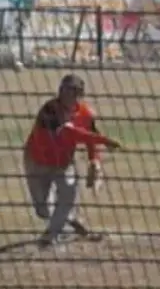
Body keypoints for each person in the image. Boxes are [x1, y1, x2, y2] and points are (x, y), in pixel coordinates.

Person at [23, 74, 120, 248]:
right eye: (65, 90)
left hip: (64, 162)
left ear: (80, 94)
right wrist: (105, 140)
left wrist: (94, 161)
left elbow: (89, 139)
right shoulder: (50, 110)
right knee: (43, 210)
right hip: (37, 161)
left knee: (68, 195)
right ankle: (70, 218)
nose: (67, 95)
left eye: (73, 91)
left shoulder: (86, 114)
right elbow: (72, 133)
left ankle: (50, 237)